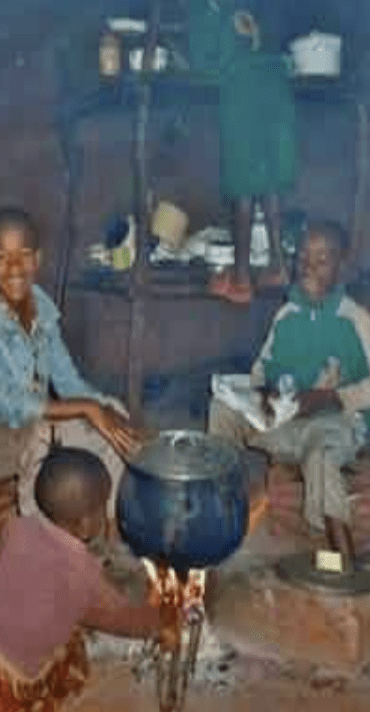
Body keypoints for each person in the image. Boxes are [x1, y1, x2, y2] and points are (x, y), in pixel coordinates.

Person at [0, 446, 177, 712]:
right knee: (67, 640)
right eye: (102, 507)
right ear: (86, 523)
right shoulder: (81, 573)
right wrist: (161, 622)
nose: (105, 514)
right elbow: (125, 621)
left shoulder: (17, 525)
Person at [0, 206, 143, 523]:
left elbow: (70, 384)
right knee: (46, 433)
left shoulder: (43, 308)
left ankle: (108, 522)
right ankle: (36, 536)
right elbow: (12, 404)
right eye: (1, 257)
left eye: (23, 255)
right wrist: (87, 409)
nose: (14, 267)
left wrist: (104, 407)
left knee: (111, 414)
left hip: (24, 426)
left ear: (38, 259)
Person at [209, 221, 370, 569]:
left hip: (334, 425)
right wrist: (263, 393)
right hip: (286, 425)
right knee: (222, 407)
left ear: (341, 268)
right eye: (304, 258)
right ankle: (218, 512)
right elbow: (260, 371)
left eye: (322, 260)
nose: (309, 267)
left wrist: (331, 398)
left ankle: (343, 561)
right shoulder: (286, 315)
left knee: (322, 457)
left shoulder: (356, 319)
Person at [210, 8, 297, 303]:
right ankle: (277, 266)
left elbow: (214, 54)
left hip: (244, 83)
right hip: (275, 81)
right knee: (268, 173)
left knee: (242, 178)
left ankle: (242, 279)